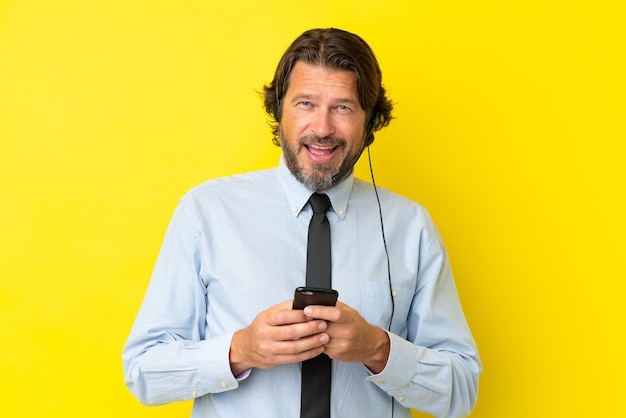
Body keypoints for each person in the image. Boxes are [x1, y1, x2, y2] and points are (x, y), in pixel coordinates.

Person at [122, 28, 481, 418]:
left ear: (372, 121)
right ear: (279, 110)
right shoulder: (205, 212)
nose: (323, 128)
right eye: (306, 103)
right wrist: (240, 350)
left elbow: (461, 392)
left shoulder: (411, 227)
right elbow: (143, 371)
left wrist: (379, 349)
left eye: (343, 107)